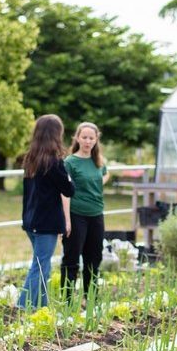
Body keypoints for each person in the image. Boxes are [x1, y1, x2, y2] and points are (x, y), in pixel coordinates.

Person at [18, 115, 75, 310]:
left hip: (31, 220)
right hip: (47, 223)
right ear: (56, 134)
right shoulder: (54, 162)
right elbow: (69, 190)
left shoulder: (30, 159)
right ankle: (23, 306)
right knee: (40, 266)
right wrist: (68, 176)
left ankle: (41, 307)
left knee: (43, 265)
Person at [61, 122, 110, 306]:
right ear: (77, 138)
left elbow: (105, 175)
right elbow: (64, 192)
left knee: (94, 259)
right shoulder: (70, 162)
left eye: (91, 138)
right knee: (72, 259)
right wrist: (66, 220)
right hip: (76, 215)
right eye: (84, 137)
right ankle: (66, 302)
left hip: (96, 215)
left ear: (96, 139)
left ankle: (91, 300)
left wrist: (94, 186)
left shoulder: (98, 161)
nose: (88, 141)